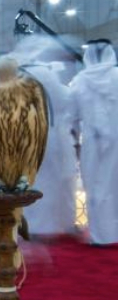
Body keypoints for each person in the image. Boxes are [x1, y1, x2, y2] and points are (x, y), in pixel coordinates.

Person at [8, 38, 79, 238]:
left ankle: (28, 226)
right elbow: (63, 102)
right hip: (47, 137)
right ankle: (43, 229)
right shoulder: (45, 74)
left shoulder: (13, 76)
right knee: (47, 182)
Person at [69, 39, 118, 245]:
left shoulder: (80, 81)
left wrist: (76, 143)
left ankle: (101, 236)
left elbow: (72, 117)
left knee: (95, 187)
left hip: (91, 142)